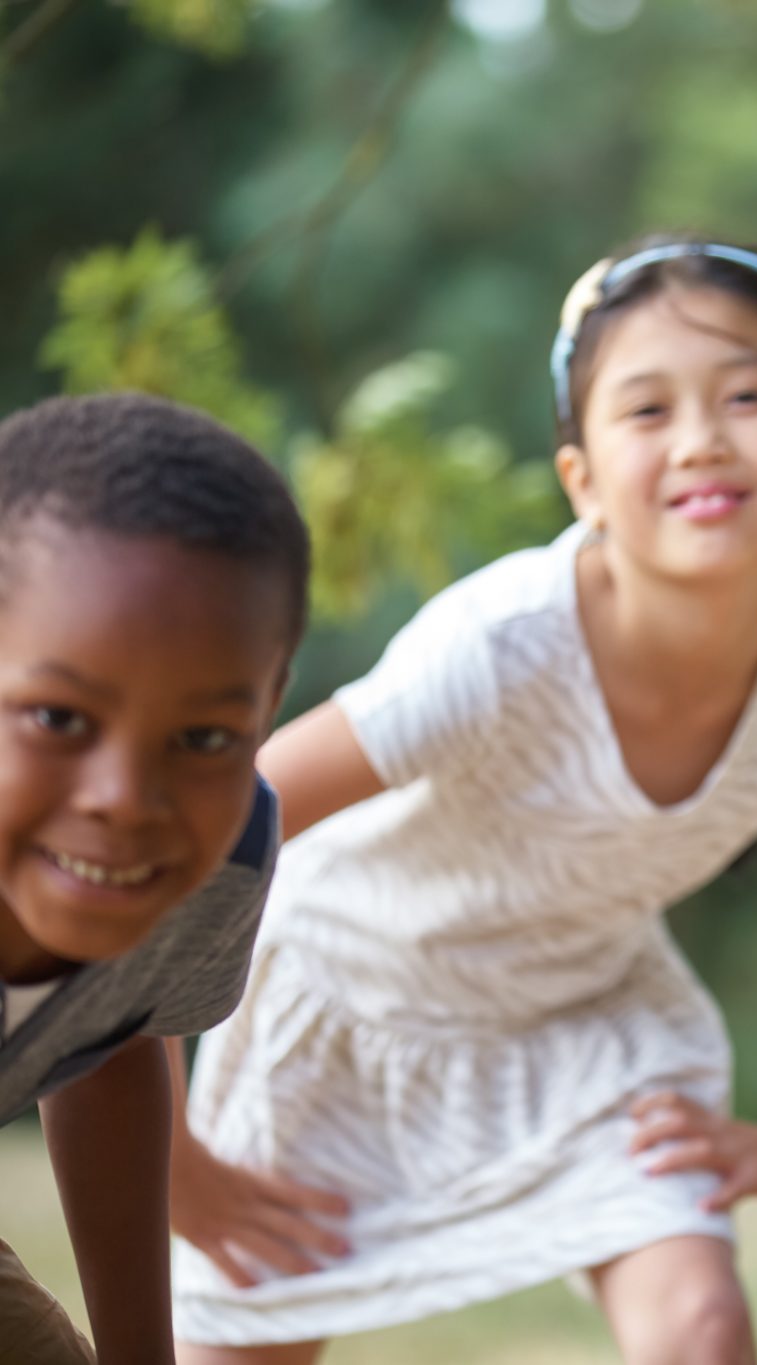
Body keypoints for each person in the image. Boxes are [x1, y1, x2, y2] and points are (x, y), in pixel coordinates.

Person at [167, 236, 757, 1365]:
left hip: (584, 1031)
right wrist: (174, 1168)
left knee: (700, 1325)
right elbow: (192, 833)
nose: (700, 438)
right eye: (646, 410)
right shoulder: (499, 649)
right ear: (580, 477)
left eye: (746, 395)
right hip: (340, 1018)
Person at [0, 393, 308, 1365]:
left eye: (204, 738)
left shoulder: (221, 856)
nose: (128, 799)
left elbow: (107, 1044)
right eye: (57, 718)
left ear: (272, 701)